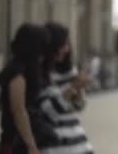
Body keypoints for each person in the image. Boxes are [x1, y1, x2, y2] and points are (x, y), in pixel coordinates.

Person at [0, 23, 54, 154]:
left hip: (20, 142)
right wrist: (31, 145)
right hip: (17, 144)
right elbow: (19, 111)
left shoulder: (24, 70)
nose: (43, 55)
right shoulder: (17, 74)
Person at [39, 22, 94, 154]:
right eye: (63, 44)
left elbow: (79, 107)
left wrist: (80, 87)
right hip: (53, 144)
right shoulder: (38, 73)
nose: (67, 49)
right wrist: (74, 86)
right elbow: (47, 112)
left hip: (77, 142)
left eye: (68, 44)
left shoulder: (69, 71)